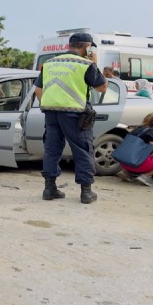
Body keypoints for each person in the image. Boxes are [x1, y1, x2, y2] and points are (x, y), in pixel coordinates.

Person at [34, 32, 107, 204]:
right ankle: (86, 192)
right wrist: (95, 64)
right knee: (82, 150)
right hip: (76, 114)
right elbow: (102, 87)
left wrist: (50, 104)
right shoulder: (85, 64)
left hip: (51, 112)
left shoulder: (50, 63)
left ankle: (49, 189)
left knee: (52, 149)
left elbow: (38, 90)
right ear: (87, 47)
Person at [116, 112, 153, 186]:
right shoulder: (152, 132)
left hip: (123, 163)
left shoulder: (137, 129)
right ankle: (147, 176)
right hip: (137, 164)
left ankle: (126, 172)